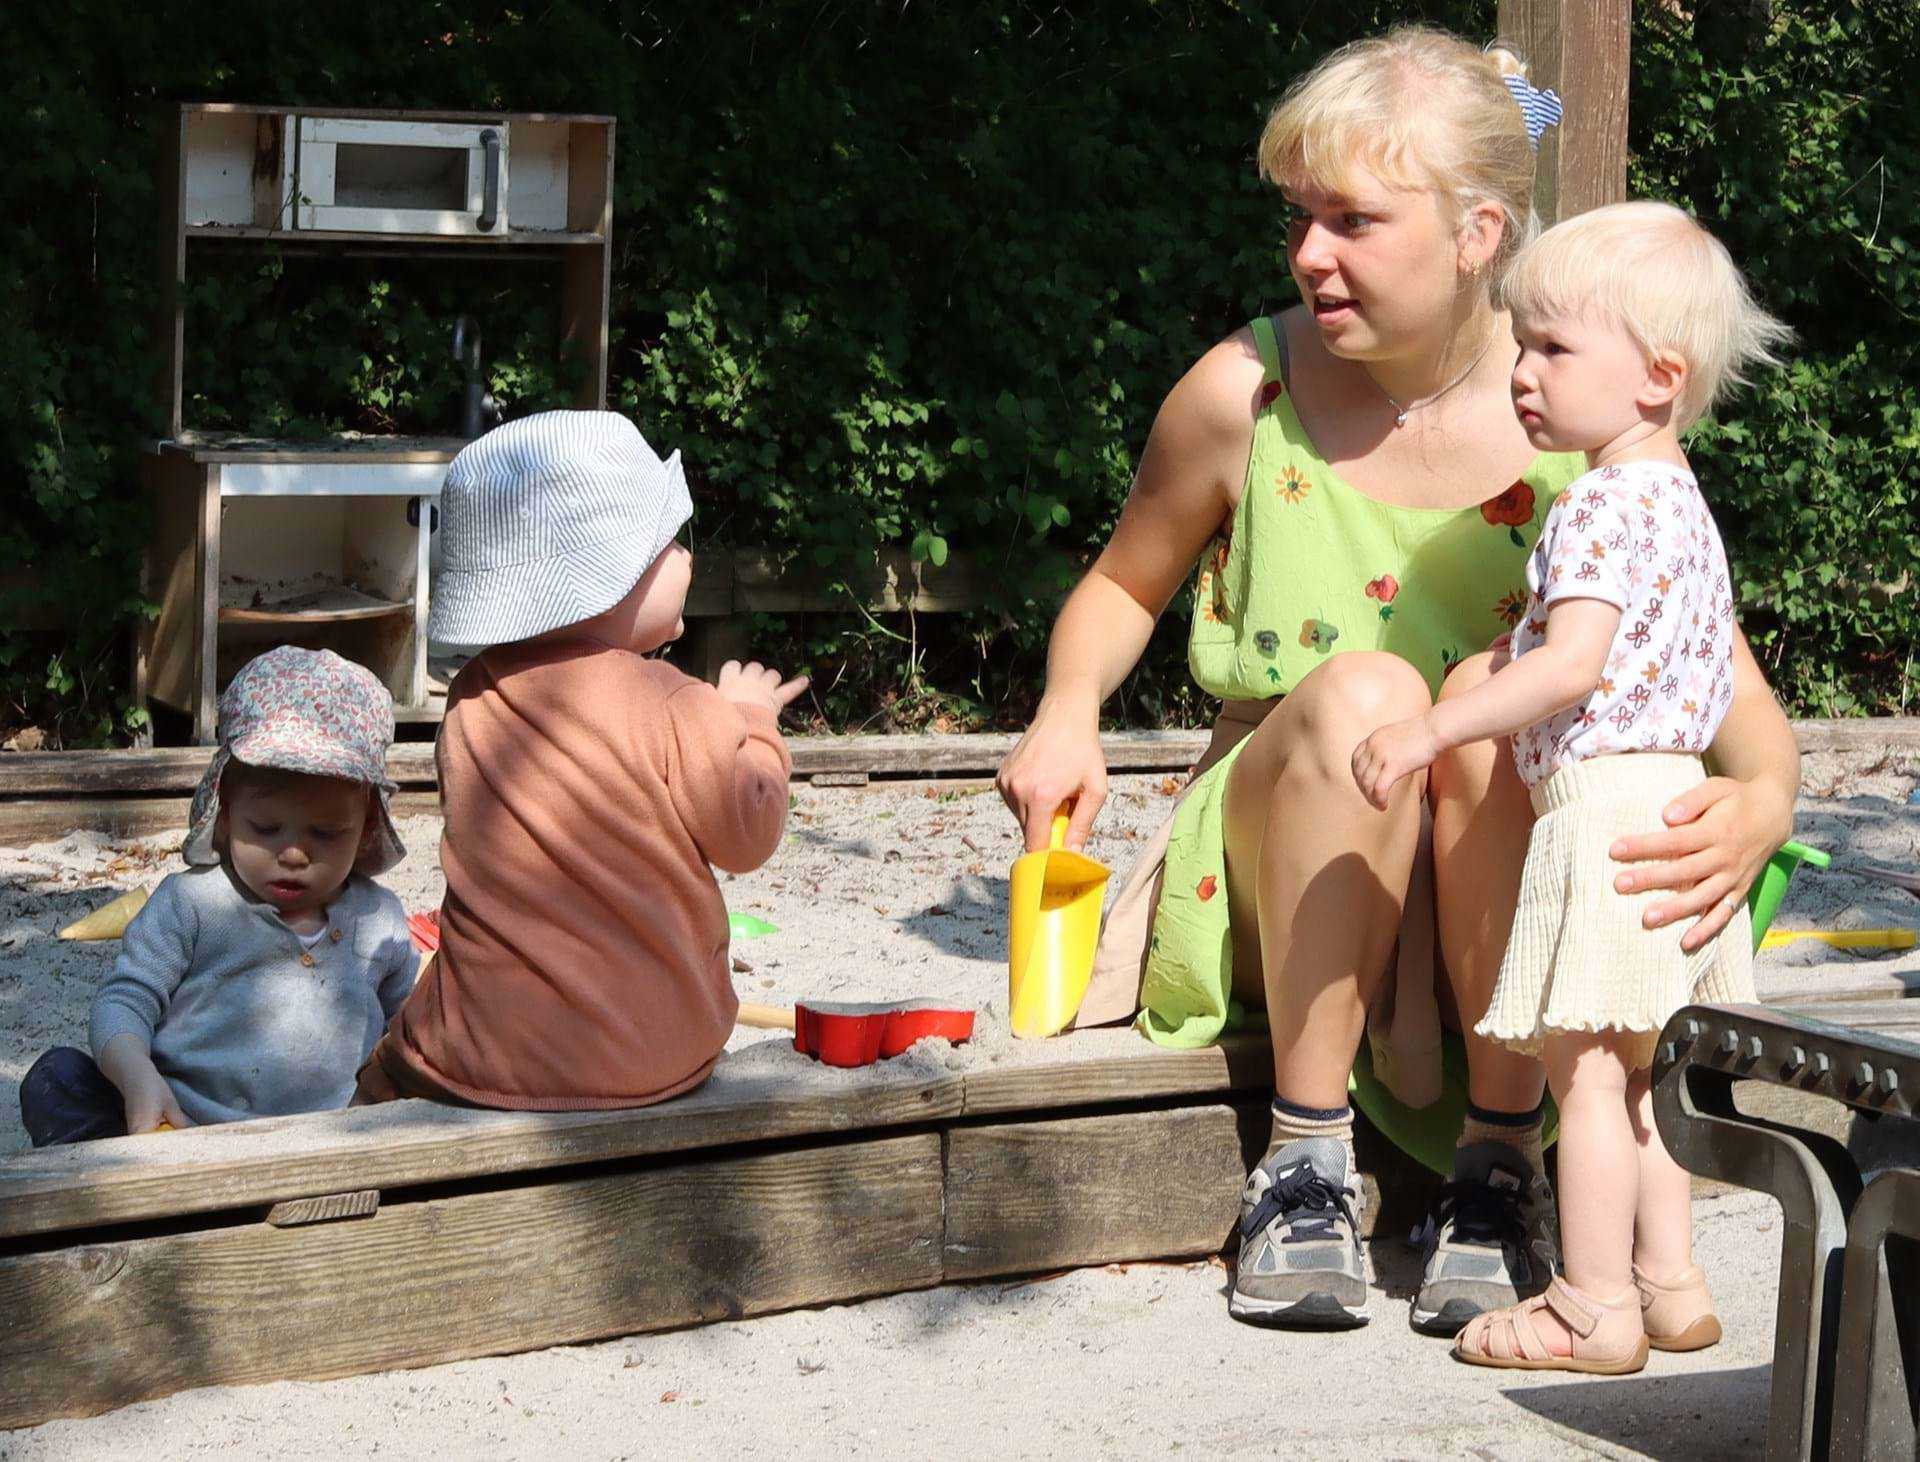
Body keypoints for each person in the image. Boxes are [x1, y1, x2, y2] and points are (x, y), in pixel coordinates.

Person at [995, 25, 1800, 1333]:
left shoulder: (1583, 414)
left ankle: (1500, 1161)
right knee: (1371, 695)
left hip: (1497, 867)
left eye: (1355, 220)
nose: (1310, 253)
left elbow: (1729, 689)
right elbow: (1123, 585)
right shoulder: (1244, 392)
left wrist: (1762, 799)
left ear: (1479, 233)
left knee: (1490, 694)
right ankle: (1303, 1159)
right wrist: (1067, 709)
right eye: (1300, 218)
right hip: (1293, 841)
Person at [1352, 200, 1789, 1371]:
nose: (1523, 372)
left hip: (1600, 816)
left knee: (1584, 1071)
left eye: (1552, 347)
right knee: (1645, 1072)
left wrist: (1431, 727)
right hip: (1678, 805)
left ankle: (1590, 1306)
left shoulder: (1595, 503)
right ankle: (1671, 1283)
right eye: (1522, 344)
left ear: (1658, 376)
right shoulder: (1685, 506)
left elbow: (1571, 666)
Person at [354, 410, 807, 1111]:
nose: (686, 557)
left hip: (485, 1054)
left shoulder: (472, 696)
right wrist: (752, 722)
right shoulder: (673, 701)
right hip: (655, 1057)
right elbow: (747, 834)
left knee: (403, 1044)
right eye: (665, 543)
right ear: (607, 577)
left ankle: (366, 1096)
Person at [17, 647, 416, 1145]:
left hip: (327, 1140)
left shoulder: (378, 919)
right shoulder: (194, 904)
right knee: (57, 1076)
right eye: (265, 828)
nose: (294, 854)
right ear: (224, 813)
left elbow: (410, 1025)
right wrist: (138, 1077)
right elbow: (124, 1001)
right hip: (181, 1130)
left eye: (327, 834)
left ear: (367, 827)